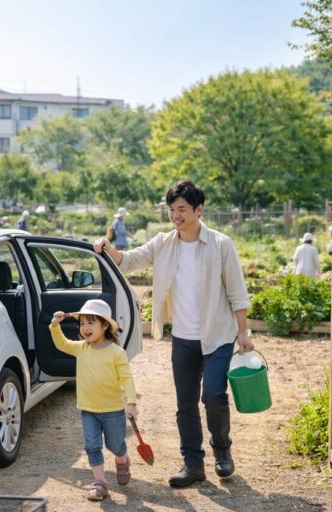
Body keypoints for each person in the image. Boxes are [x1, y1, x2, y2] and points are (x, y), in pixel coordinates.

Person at [94, 180, 253, 488]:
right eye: (172, 210)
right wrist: (107, 247)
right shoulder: (163, 243)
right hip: (183, 336)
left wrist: (243, 333)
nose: (176, 216)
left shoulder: (221, 245)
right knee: (185, 403)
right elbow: (129, 260)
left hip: (218, 335)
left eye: (182, 209)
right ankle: (193, 464)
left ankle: (222, 450)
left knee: (214, 396)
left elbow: (237, 293)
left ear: (199, 209)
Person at [49, 300, 138, 501]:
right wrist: (55, 326)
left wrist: (131, 403)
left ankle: (122, 459)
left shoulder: (116, 352)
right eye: (82, 323)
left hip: (113, 410)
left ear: (105, 325)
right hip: (88, 410)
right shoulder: (82, 348)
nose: (85, 328)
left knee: (115, 445)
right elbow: (62, 343)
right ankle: (100, 483)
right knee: (92, 446)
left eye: (91, 323)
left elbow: (126, 378)